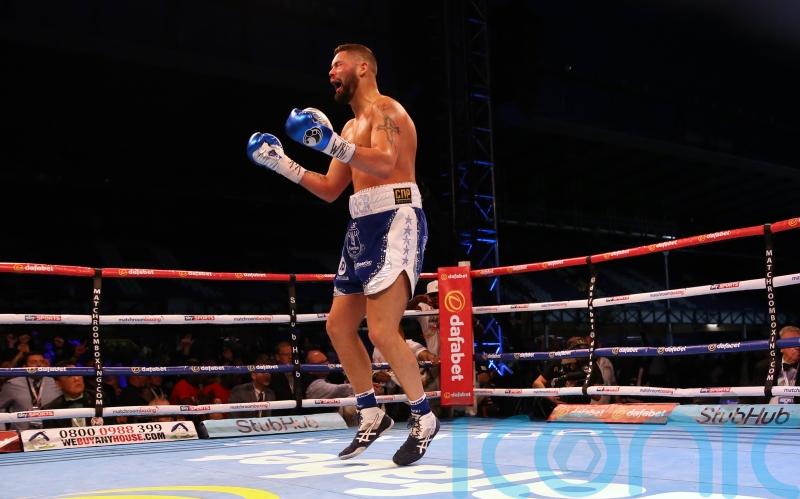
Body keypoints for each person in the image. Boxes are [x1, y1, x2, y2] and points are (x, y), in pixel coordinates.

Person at [246, 43, 436, 466]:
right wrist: (284, 164)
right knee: (338, 326)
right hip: (359, 225)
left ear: (363, 66)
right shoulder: (348, 129)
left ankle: (423, 417)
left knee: (383, 330)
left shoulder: (389, 110)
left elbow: (386, 164)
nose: (330, 71)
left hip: (396, 216)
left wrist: (330, 143)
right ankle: (371, 413)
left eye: (338, 63)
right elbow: (332, 189)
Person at [0, 350, 62, 430]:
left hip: (52, 435)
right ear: (25, 367)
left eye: (42, 362)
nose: (39, 365)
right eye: (33, 362)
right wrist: (2, 430)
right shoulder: (12, 384)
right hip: (20, 435)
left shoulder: (55, 383)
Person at [751, 325, 800, 404]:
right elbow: (751, 396)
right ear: (781, 348)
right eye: (792, 342)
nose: (797, 347)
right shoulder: (764, 367)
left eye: (798, 341)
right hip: (769, 413)